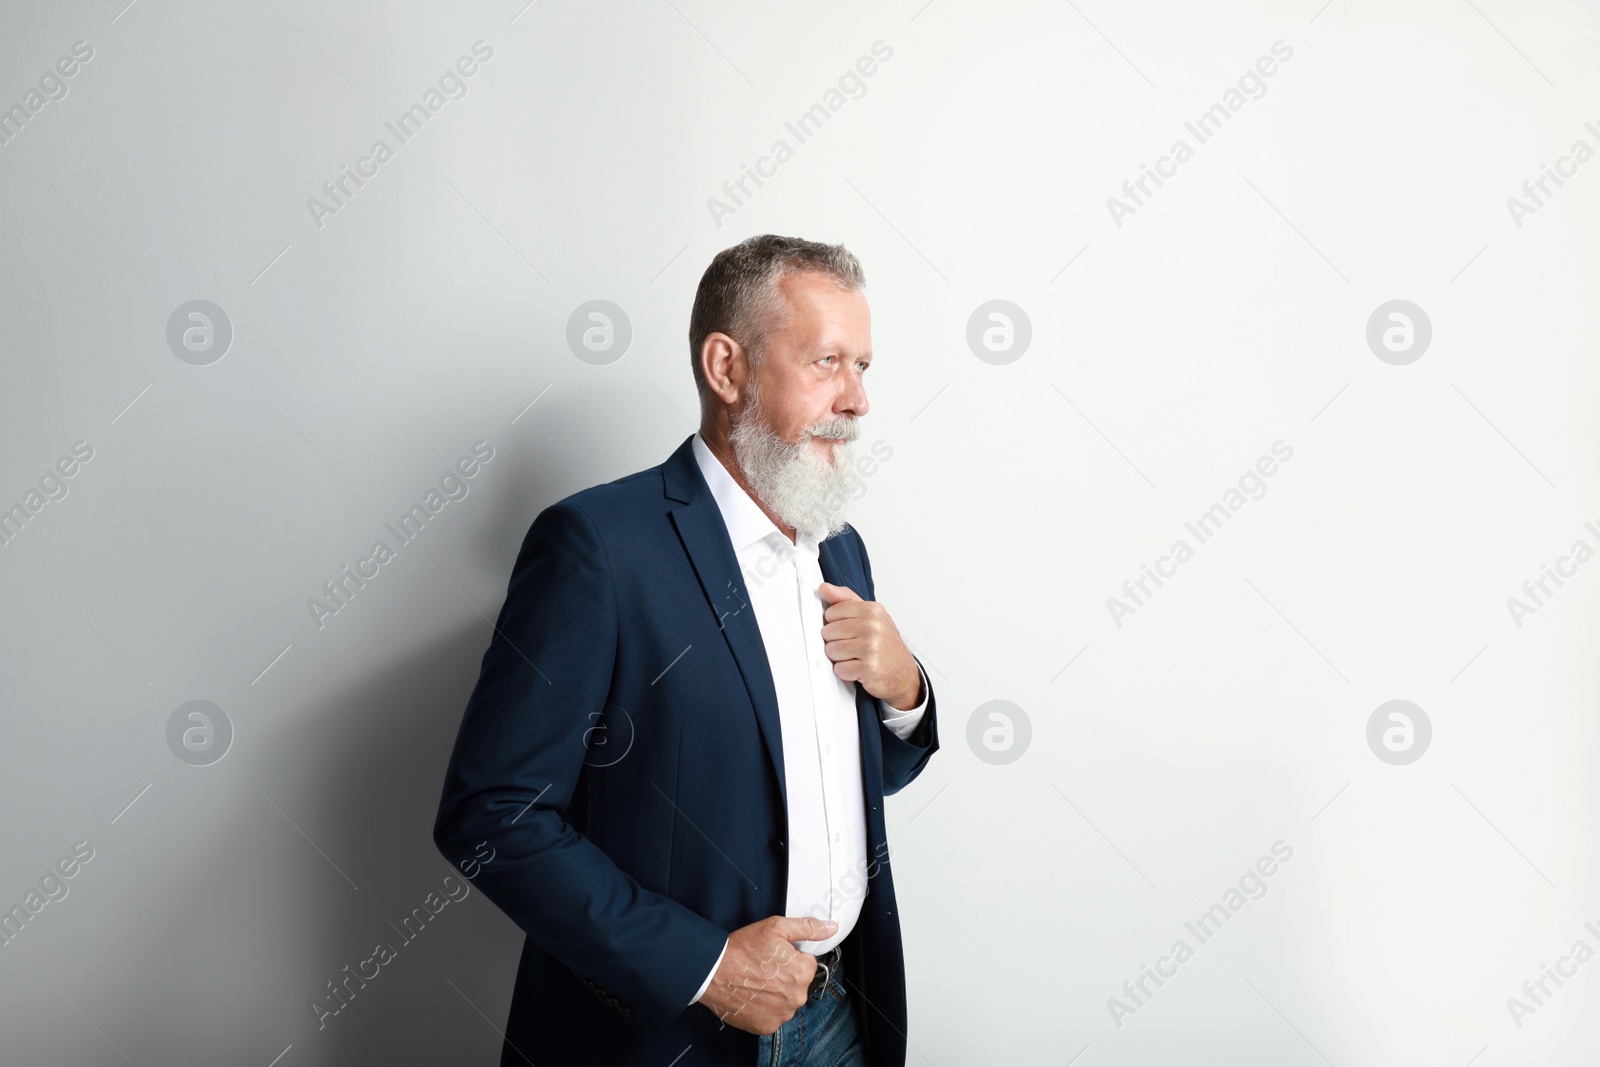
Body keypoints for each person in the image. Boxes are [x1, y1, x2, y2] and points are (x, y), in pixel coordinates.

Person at [433, 234, 939, 1066]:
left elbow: (826, 778)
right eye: (827, 361)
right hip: (670, 1039)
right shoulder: (597, 547)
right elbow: (491, 816)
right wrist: (707, 969)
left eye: (865, 365)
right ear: (727, 367)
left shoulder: (840, 549)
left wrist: (906, 691)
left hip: (844, 1014)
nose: (857, 400)